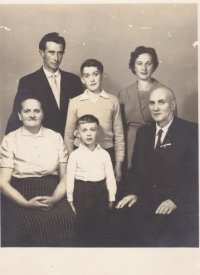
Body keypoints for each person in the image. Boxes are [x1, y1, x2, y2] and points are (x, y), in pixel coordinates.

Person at [113, 87, 198, 247]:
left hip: (175, 203)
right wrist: (133, 193)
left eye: (161, 102)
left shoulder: (191, 131)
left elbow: (196, 176)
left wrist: (175, 200)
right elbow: (135, 170)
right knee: (117, 219)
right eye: (152, 103)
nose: (156, 108)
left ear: (172, 105)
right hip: (145, 200)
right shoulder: (144, 133)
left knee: (153, 233)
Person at [1, 96, 77, 247]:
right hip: (21, 193)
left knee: (69, 219)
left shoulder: (55, 137)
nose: (32, 115)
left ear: (42, 114)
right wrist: (26, 204)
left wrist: (55, 199)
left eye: (37, 111)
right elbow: (3, 183)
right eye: (27, 111)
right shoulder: (10, 139)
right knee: (28, 224)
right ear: (19, 115)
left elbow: (65, 176)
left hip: (53, 191)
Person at [5, 32, 83, 138]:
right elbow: (16, 117)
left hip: (71, 142)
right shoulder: (28, 82)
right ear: (42, 53)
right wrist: (8, 146)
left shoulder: (74, 81)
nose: (56, 58)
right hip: (41, 144)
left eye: (60, 53)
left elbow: (83, 115)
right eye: (51, 52)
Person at [64, 59, 125, 182]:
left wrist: (118, 164)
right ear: (82, 79)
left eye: (95, 74)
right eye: (87, 76)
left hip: (106, 152)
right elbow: (68, 136)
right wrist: (72, 160)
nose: (92, 79)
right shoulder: (75, 102)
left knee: (106, 192)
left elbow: (119, 135)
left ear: (103, 76)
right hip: (81, 153)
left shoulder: (113, 101)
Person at [118, 46, 177, 170]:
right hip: (131, 143)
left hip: (157, 141)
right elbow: (119, 129)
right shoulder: (124, 93)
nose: (144, 68)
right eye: (139, 64)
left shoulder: (165, 92)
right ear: (133, 66)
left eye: (148, 64)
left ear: (154, 66)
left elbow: (173, 126)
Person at [66, 115, 117, 247]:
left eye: (92, 129)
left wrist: (111, 198)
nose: (89, 134)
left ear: (98, 131)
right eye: (84, 130)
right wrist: (70, 200)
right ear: (77, 133)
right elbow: (70, 179)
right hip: (82, 191)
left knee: (101, 224)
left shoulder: (105, 154)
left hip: (101, 191)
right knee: (84, 225)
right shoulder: (75, 155)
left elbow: (110, 177)